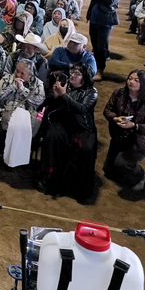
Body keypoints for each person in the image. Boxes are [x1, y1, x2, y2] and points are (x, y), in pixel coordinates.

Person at [40, 65, 100, 204]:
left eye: (77, 74)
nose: (72, 75)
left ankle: (81, 190)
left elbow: (82, 109)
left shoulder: (92, 92)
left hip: (82, 127)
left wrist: (63, 95)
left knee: (85, 149)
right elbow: (49, 103)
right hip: (64, 123)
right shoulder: (65, 85)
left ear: (84, 78)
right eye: (72, 72)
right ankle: (51, 180)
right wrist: (54, 96)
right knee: (51, 138)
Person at [102, 68, 145, 200]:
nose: (131, 82)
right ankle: (124, 167)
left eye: (136, 80)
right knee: (108, 170)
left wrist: (135, 126)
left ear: (144, 84)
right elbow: (107, 110)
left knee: (121, 163)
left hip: (138, 141)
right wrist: (115, 118)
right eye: (130, 78)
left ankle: (140, 176)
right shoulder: (119, 93)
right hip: (119, 137)